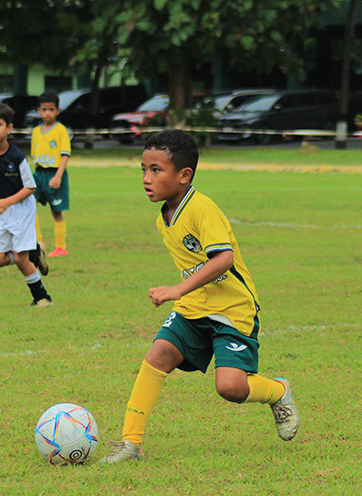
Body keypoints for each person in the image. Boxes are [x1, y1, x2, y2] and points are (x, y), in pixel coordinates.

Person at [100, 129, 299, 463]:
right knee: (157, 355)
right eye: (143, 170)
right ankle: (130, 443)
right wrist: (183, 295)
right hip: (194, 307)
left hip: (232, 309)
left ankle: (278, 391)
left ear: (184, 175)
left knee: (230, 388)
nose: (146, 179)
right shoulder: (164, 217)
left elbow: (223, 259)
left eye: (156, 170)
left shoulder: (201, 208)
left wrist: (176, 289)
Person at [0, 102, 53, 307]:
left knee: (21, 260)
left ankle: (42, 297)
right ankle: (35, 252)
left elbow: (30, 187)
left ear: (9, 128)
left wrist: (9, 202)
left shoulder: (16, 157)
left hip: (20, 208)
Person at [30, 91, 72, 258]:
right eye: (44, 109)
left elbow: (65, 154)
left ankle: (61, 247)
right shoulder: (35, 132)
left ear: (58, 110)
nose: (47, 113)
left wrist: (58, 176)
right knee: (30, 205)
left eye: (51, 109)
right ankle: (38, 242)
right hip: (39, 173)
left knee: (56, 212)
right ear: (39, 111)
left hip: (55, 173)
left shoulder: (61, 130)